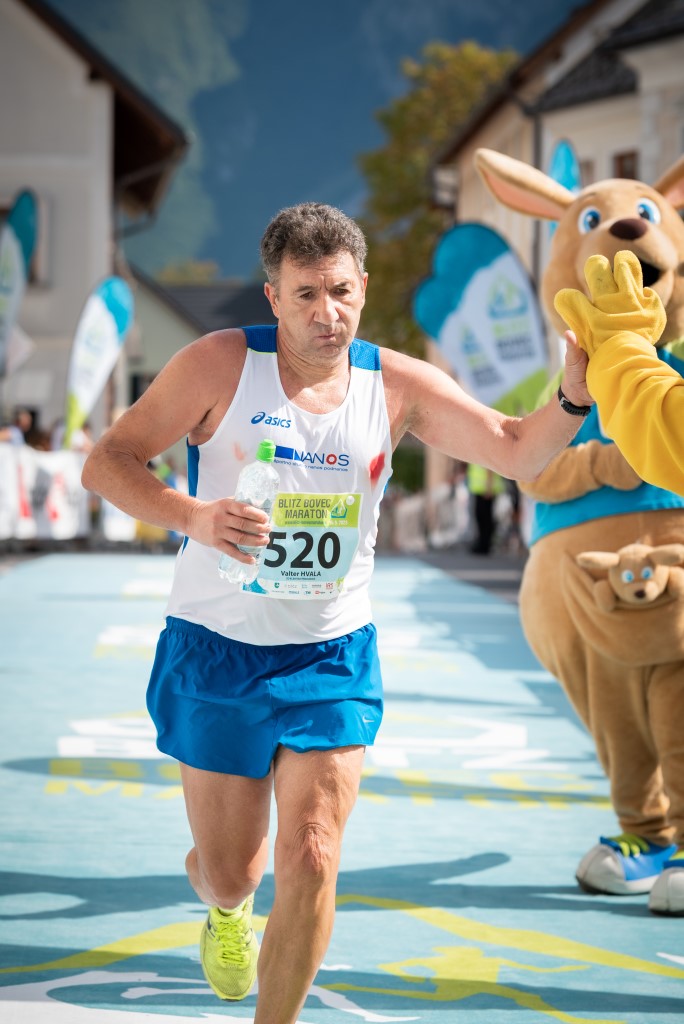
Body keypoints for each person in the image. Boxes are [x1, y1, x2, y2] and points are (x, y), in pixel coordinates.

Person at [82, 202, 590, 1024]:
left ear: (364, 288)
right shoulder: (218, 365)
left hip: (330, 654)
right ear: (274, 296)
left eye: (343, 292)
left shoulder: (394, 385)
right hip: (217, 649)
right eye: (307, 295)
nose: (329, 314)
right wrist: (195, 517)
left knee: (314, 852)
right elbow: (107, 462)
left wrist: (571, 397)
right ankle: (224, 907)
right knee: (233, 873)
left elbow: (513, 447)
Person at [554, 248, 684, 494]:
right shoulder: (569, 376)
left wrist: (617, 348)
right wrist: (600, 464)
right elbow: (530, 466)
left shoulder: (677, 355)